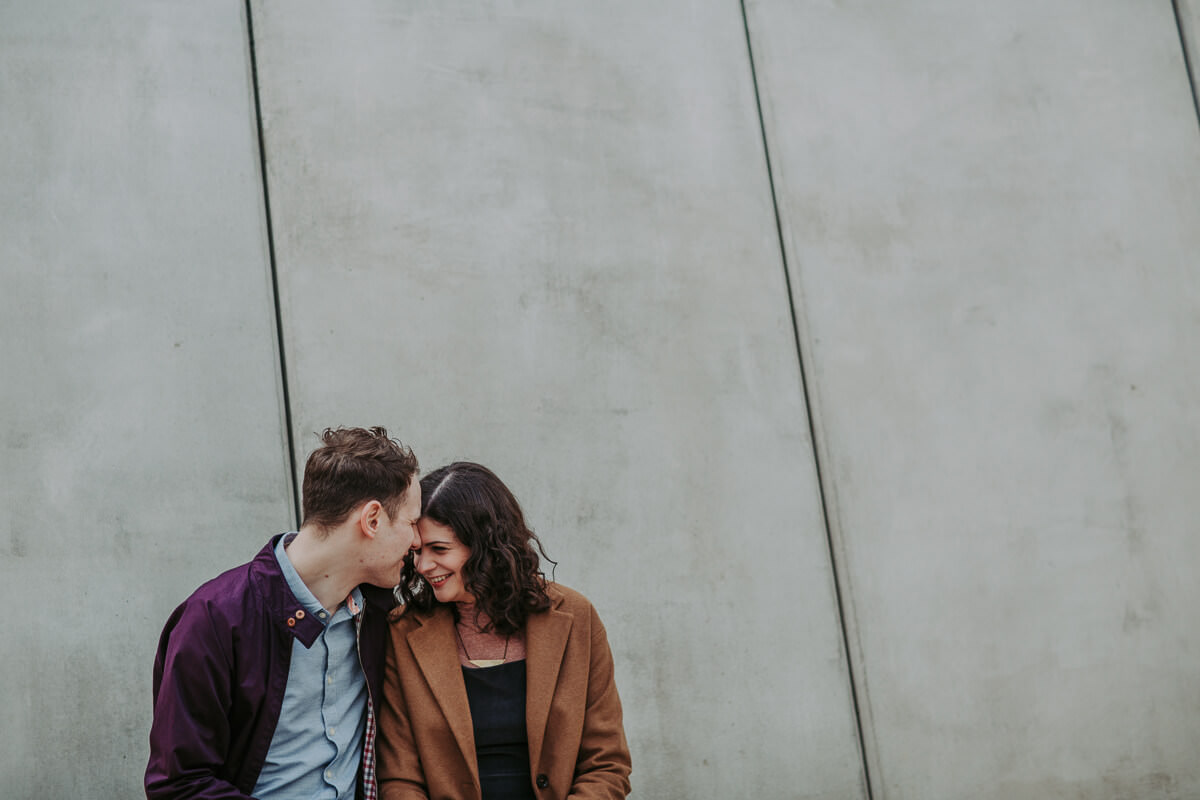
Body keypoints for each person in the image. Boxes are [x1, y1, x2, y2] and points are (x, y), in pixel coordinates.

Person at [146, 426, 421, 800]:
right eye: (411, 523)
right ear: (372, 520)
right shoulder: (213, 620)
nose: (417, 541)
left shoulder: (380, 612)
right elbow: (179, 784)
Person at [377, 462, 632, 800]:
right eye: (417, 551)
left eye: (439, 549)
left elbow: (606, 764)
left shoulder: (575, 618)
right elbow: (399, 779)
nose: (423, 566)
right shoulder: (403, 632)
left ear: (485, 545)